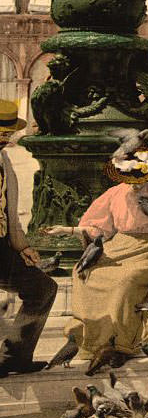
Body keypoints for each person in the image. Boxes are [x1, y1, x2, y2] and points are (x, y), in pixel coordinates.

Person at [43, 141, 148, 363]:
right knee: (84, 273)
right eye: (130, 179)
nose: (134, 185)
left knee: (125, 282)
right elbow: (99, 227)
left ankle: (120, 344)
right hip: (118, 246)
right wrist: (67, 229)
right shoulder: (115, 193)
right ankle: (88, 337)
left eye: (138, 179)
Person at [0, 100, 57, 377]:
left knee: (43, 289)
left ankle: (15, 357)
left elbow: (9, 211)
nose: (5, 138)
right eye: (0, 131)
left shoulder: (4, 159)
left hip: (2, 247)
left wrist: (22, 246)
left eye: (8, 132)